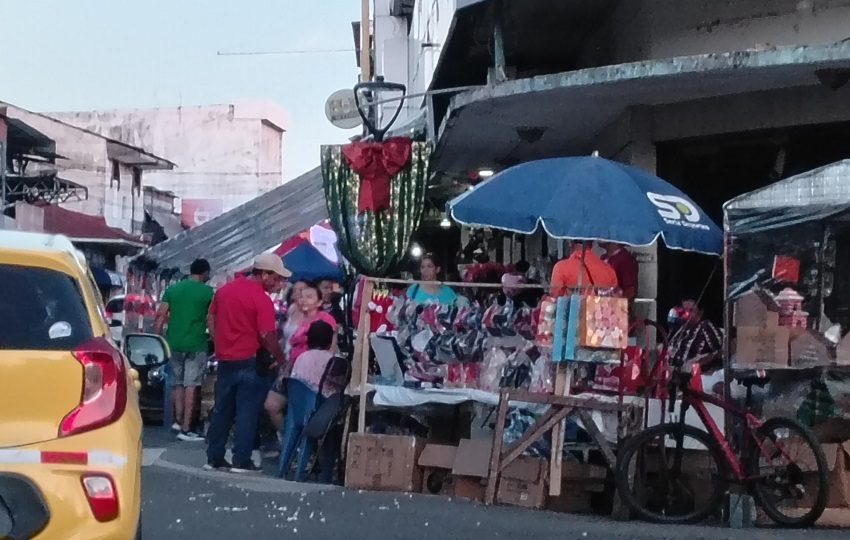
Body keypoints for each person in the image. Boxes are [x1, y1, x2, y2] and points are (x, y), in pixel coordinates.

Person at [205, 254, 289, 473]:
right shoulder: (261, 300)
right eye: (277, 278)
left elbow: (211, 318)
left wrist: (219, 343)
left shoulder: (225, 291)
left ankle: (214, 457)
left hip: (226, 359)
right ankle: (241, 460)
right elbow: (266, 334)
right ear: (264, 274)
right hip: (250, 360)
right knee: (247, 412)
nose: (278, 284)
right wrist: (280, 358)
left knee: (223, 409)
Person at [154, 259, 214, 442]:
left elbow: (160, 316)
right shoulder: (208, 292)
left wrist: (157, 339)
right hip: (196, 343)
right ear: (204, 273)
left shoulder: (173, 290)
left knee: (177, 383)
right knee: (191, 385)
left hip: (174, 342)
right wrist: (213, 338)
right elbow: (211, 319)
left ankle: (178, 421)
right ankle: (187, 428)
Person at [264, 282, 337, 432]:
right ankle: (287, 439)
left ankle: (296, 443)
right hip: (291, 370)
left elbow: (331, 349)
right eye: (302, 297)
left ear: (319, 302)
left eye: (309, 297)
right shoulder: (297, 317)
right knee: (271, 405)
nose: (304, 300)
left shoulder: (325, 320)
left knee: (298, 411)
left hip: (312, 375)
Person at [290, 320, 342, 397]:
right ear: (330, 343)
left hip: (299, 403)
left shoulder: (300, 358)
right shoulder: (332, 361)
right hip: (321, 405)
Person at [668, 299, 723, 371]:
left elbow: (720, 350)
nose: (686, 314)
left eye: (691, 310)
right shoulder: (681, 328)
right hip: (672, 372)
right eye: (684, 310)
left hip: (693, 374)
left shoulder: (706, 327)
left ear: (700, 312)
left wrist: (700, 364)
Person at [549, 241, 618, 297]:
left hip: (574, 313)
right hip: (600, 313)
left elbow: (555, 296)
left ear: (570, 243)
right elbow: (615, 297)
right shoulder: (609, 270)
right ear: (592, 244)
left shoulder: (561, 268)